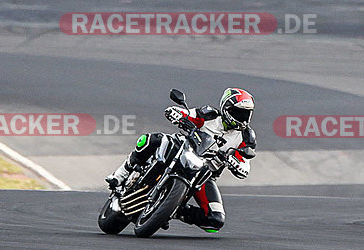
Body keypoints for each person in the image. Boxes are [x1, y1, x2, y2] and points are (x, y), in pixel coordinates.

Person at [105, 87, 256, 232]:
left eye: (246, 114)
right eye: (239, 113)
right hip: (182, 149)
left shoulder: (246, 137)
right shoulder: (209, 115)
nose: (243, 118)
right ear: (226, 109)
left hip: (204, 175)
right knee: (151, 139)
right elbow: (186, 113)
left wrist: (236, 164)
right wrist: (177, 114)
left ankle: (176, 210)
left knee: (215, 220)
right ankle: (120, 175)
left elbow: (245, 164)